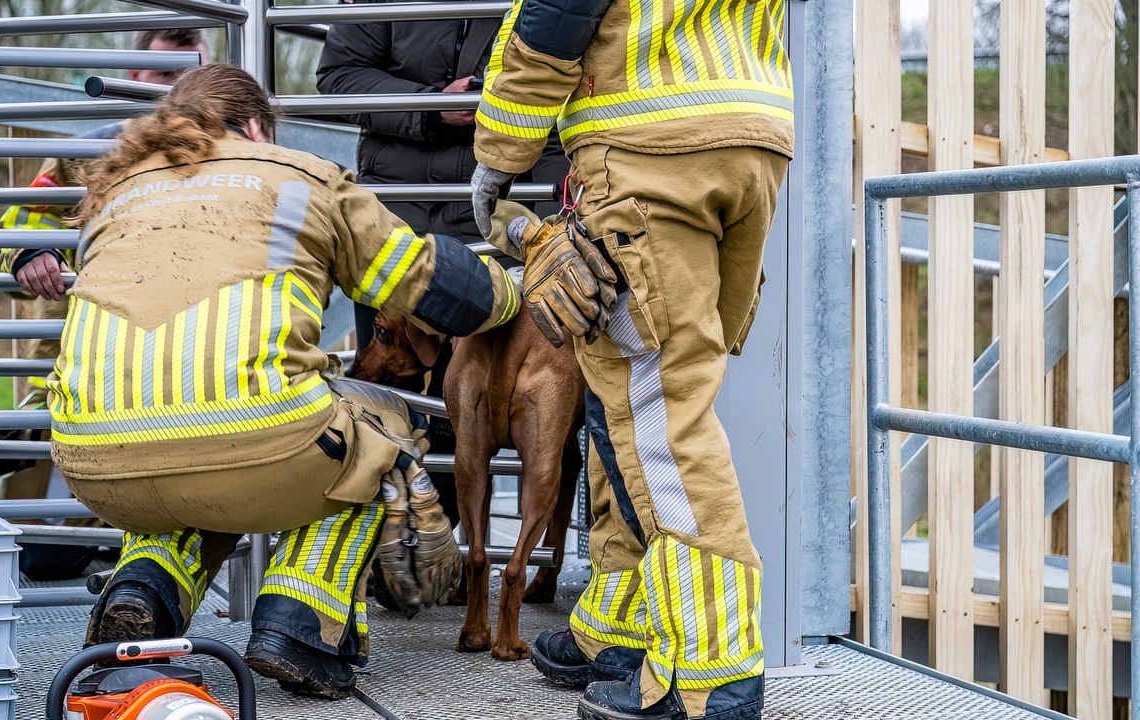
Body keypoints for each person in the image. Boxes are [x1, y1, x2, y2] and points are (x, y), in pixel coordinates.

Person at [49, 64, 523, 700]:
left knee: (183, 449)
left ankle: (144, 596)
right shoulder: (302, 178)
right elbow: (426, 282)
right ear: (254, 127)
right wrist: (512, 297)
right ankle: (299, 629)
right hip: (259, 438)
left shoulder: (116, 186)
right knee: (375, 427)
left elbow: (40, 203)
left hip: (95, 458)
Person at [471, 1, 794, 719]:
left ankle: (710, 675)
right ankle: (624, 626)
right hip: (751, 131)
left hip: (652, 143)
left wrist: (500, 154)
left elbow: (559, 9)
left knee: (660, 414)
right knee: (618, 395)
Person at [0, 29, 209, 581]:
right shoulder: (90, 150)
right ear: (132, 77)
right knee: (42, 553)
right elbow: (19, 218)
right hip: (78, 352)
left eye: (190, 72)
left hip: (182, 357)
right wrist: (29, 252)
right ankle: (25, 446)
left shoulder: (227, 158)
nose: (177, 88)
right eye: (164, 74)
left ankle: (132, 548)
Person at [316, 0, 570, 532]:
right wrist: (430, 106)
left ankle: (490, 557)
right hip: (397, 224)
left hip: (512, 217)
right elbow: (338, 76)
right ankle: (390, 551)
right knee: (385, 399)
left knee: (513, 405)